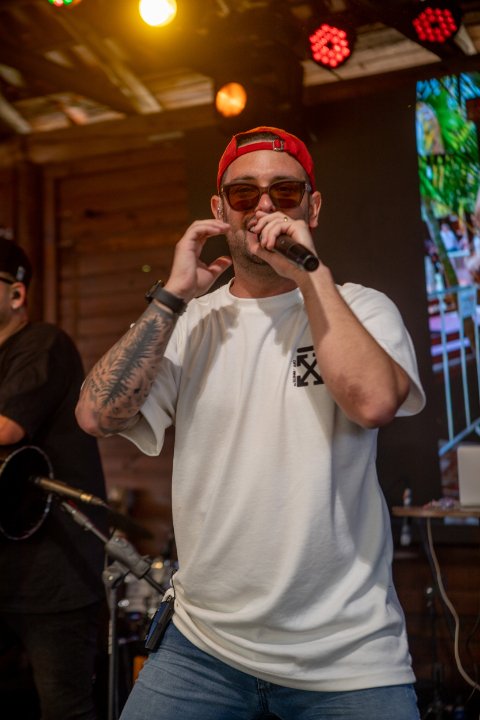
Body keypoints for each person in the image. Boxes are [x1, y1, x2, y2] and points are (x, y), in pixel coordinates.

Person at [76, 126, 426, 720]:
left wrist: (309, 273)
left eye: (285, 192)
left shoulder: (362, 307)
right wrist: (172, 296)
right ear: (220, 211)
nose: (264, 206)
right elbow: (96, 415)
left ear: (313, 207)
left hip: (347, 655)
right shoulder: (190, 322)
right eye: (244, 193)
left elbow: (373, 403)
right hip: (202, 649)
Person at [0, 238, 107, 720]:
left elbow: (6, 428)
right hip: (8, 567)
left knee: (65, 709)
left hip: (53, 573)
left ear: (16, 294)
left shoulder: (43, 342)